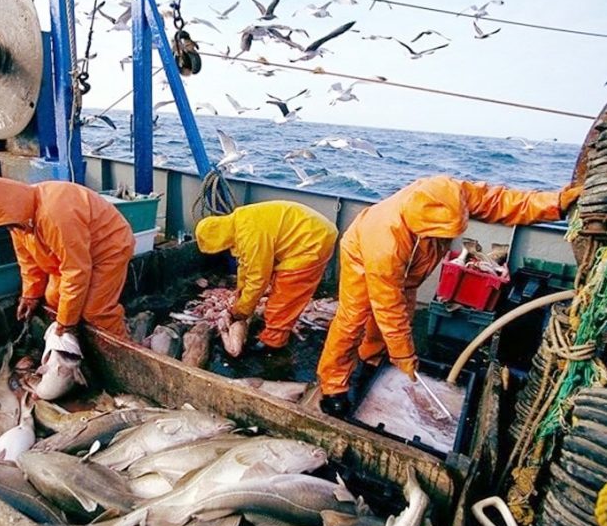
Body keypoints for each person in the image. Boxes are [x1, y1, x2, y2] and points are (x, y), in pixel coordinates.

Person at [316, 175, 583, 416]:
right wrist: (404, 354)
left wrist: (556, 203)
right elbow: (387, 305)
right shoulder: (385, 241)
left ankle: (371, 359)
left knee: (402, 316)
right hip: (363, 257)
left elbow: (500, 201)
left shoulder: (454, 194)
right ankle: (332, 385)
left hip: (410, 266)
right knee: (354, 319)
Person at [0, 177, 135, 337]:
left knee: (95, 312)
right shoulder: (17, 220)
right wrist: (30, 295)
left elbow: (76, 270)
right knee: (54, 299)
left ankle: (124, 354)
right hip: (71, 256)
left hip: (108, 248)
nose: (7, 228)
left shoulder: (55, 215)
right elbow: (28, 260)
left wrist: (67, 323)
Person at [195, 200, 338, 353]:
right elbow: (246, 265)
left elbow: (258, 280)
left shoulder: (251, 237)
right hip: (306, 231)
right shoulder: (239, 221)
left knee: (285, 296)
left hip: (312, 241)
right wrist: (241, 291)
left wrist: (242, 311)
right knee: (277, 290)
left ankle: (273, 343)